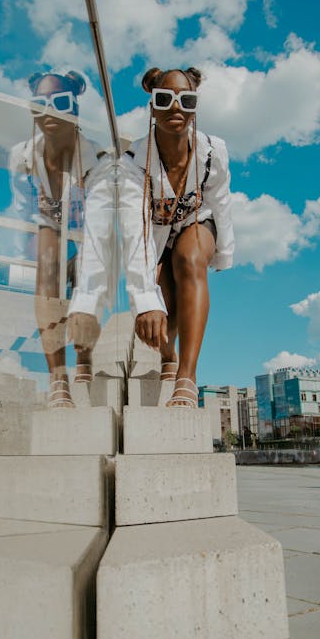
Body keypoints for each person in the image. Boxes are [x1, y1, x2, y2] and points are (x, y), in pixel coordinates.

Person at [122, 66, 234, 407]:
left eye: (186, 99)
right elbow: (134, 232)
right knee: (162, 310)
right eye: (164, 98)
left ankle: (187, 376)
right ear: (152, 106)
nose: (176, 107)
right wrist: (145, 301)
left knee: (190, 258)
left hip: (196, 223)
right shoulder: (131, 164)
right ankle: (168, 358)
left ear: (194, 105)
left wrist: (223, 254)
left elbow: (220, 201)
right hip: (155, 239)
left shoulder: (212, 151)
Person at [8, 70, 102, 407]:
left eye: (60, 103)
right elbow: (22, 208)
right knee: (48, 266)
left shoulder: (93, 156)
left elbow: (101, 216)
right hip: (48, 225)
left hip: (88, 230)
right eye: (39, 104)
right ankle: (57, 378)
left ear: (75, 107)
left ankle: (85, 356)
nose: (50, 111)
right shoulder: (20, 155)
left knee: (83, 284)